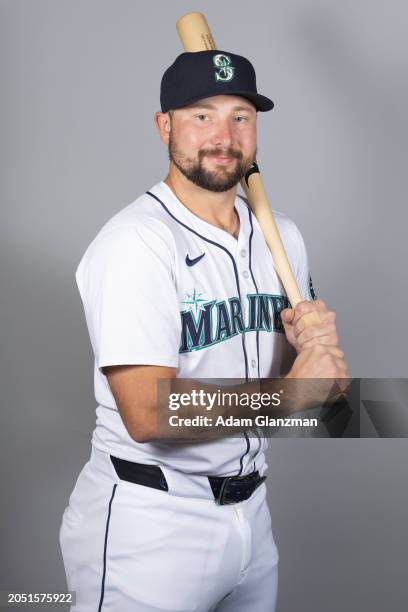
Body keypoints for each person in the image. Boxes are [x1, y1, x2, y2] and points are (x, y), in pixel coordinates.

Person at [59, 50, 348, 611]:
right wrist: (292, 395)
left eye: (241, 115)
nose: (224, 135)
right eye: (201, 115)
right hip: (151, 524)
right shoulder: (136, 243)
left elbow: (328, 400)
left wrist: (319, 358)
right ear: (164, 125)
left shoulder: (281, 236)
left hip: (252, 517)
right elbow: (148, 413)